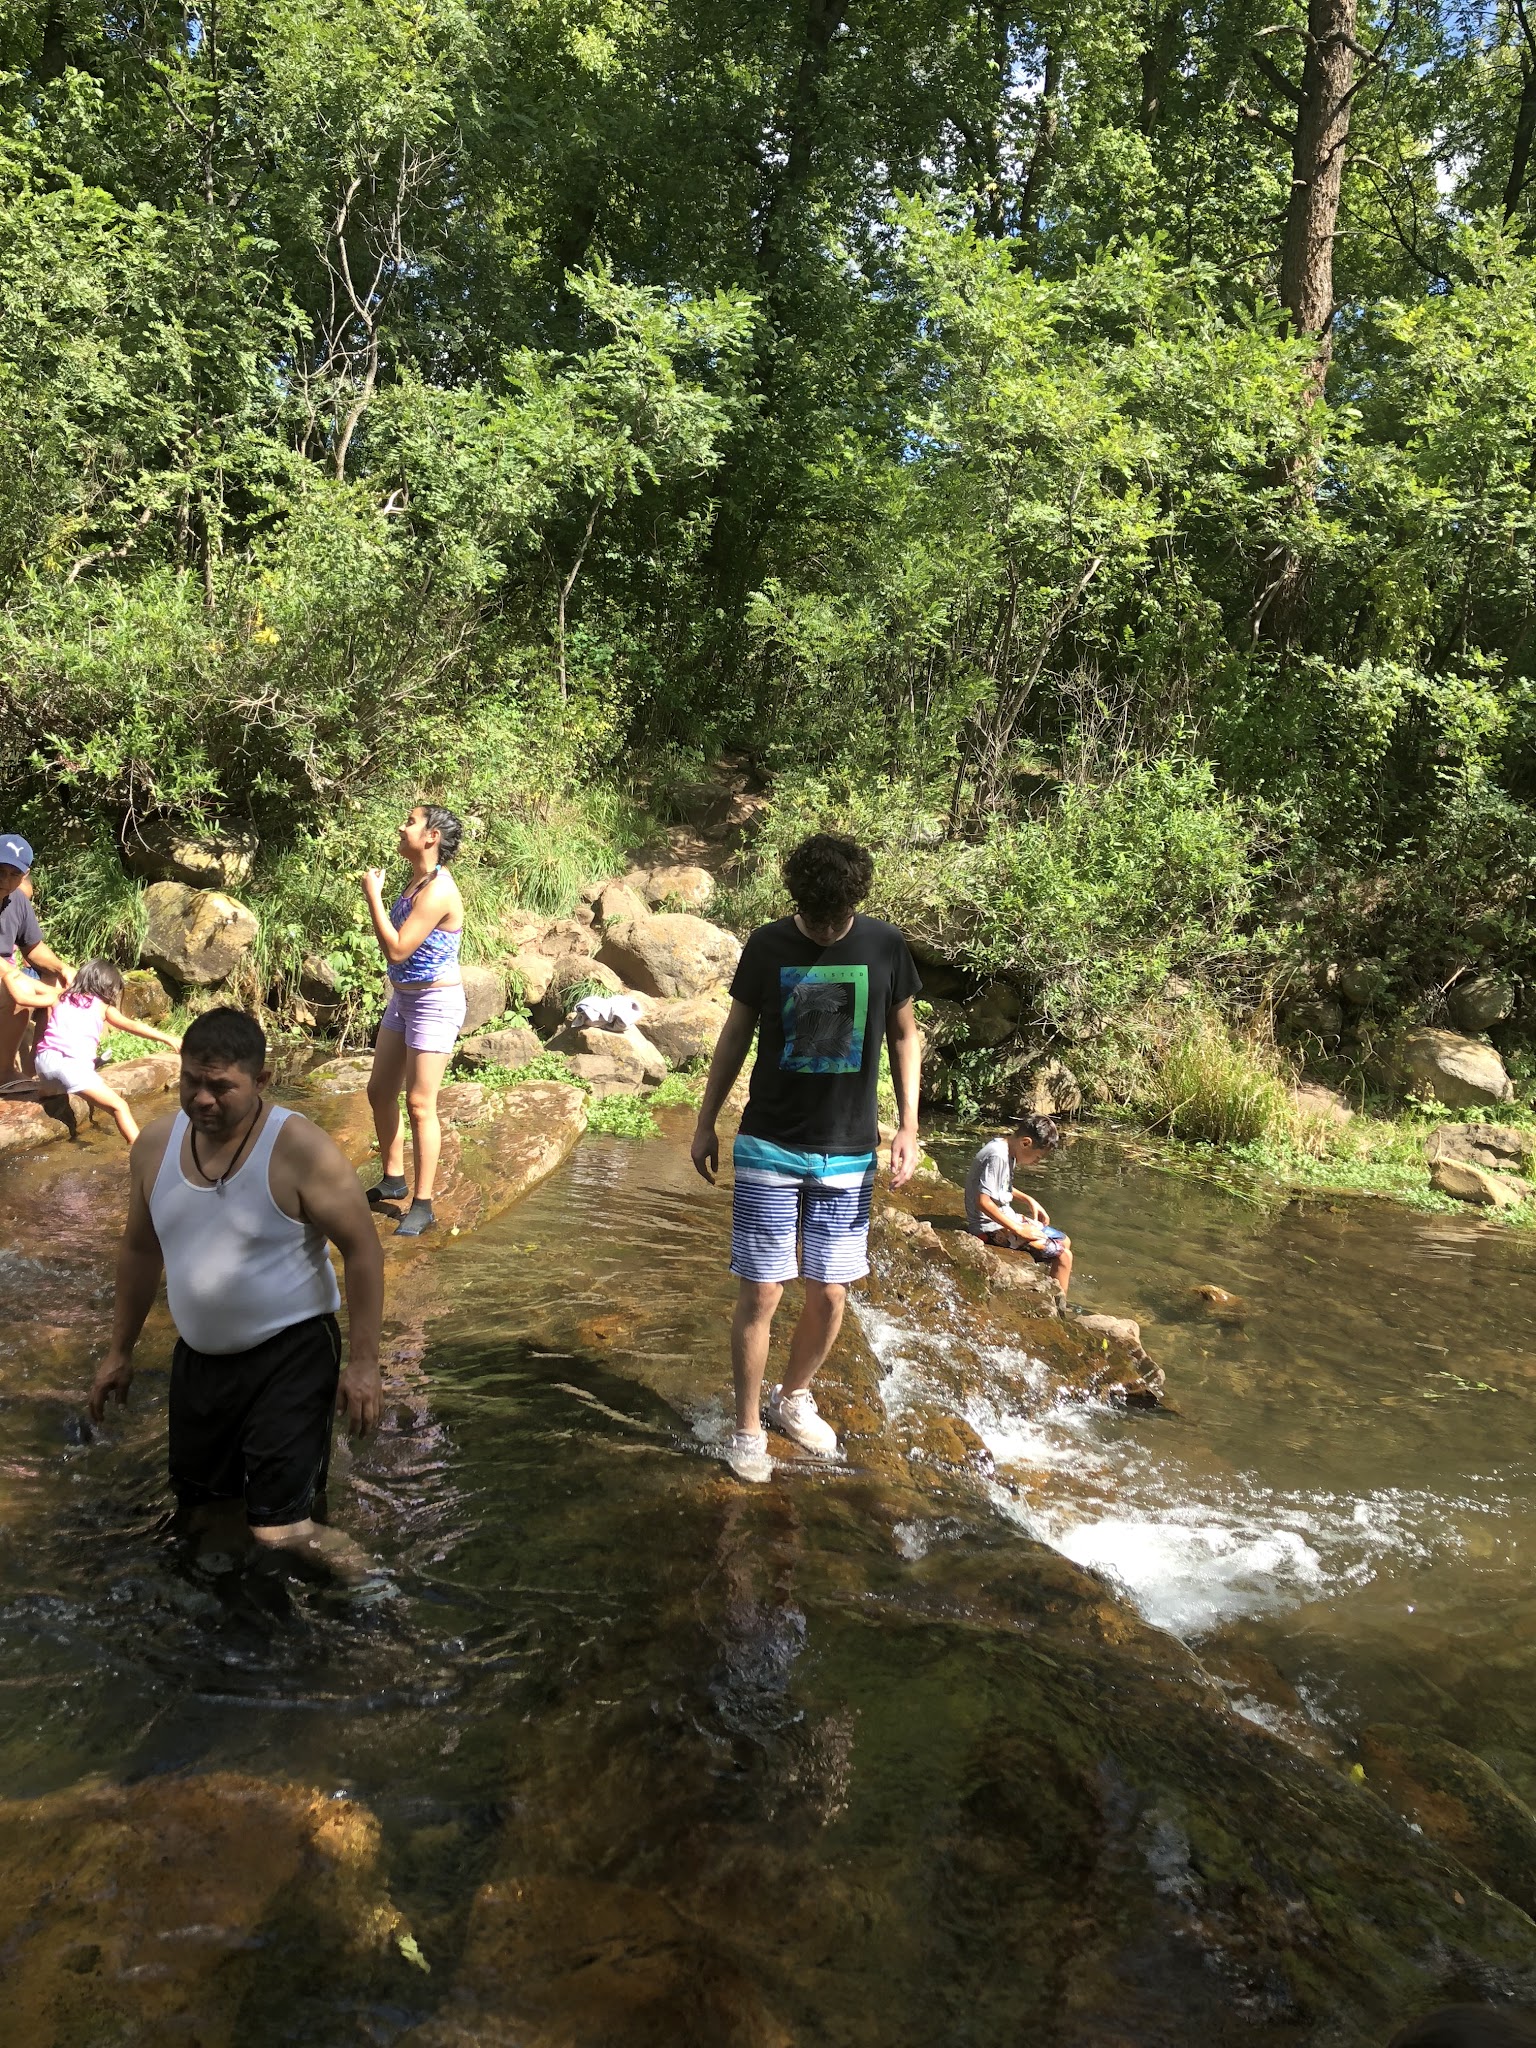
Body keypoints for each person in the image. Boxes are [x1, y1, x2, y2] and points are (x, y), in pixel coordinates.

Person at [87, 1007, 385, 1574]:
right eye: (191, 1082)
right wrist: (118, 1351)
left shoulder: (300, 1149)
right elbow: (141, 1250)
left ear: (261, 1080)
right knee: (204, 1515)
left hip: (292, 1356)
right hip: (199, 1362)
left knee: (280, 1529)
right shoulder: (153, 1147)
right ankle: (238, 1618)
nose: (202, 1099)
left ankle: (378, 1600)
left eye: (221, 1087)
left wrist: (365, 1363)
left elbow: (363, 1250)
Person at [691, 832, 922, 1482]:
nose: (823, 931)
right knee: (763, 1290)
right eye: (814, 919)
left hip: (848, 1150)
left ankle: (791, 1397)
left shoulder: (885, 946)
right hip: (769, 1141)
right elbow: (735, 1034)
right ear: (797, 899)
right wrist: (705, 1122)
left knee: (829, 1293)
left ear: (855, 902)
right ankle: (746, 1431)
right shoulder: (767, 945)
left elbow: (905, 1036)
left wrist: (909, 1126)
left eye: (835, 920)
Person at [362, 803, 466, 1237]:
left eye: (410, 822)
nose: (402, 827)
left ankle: (423, 1204)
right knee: (379, 1091)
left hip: (434, 1004)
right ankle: (393, 1179)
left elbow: (397, 949)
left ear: (431, 837)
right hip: (404, 1000)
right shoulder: (418, 879)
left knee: (420, 1104)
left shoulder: (439, 890)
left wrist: (373, 896)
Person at [29, 959, 182, 1143]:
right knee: (120, 1107)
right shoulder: (102, 1007)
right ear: (108, 987)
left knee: (57, 1086)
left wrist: (9, 974)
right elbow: (133, 1026)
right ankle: (140, 1150)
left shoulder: (61, 997)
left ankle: (45, 1091)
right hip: (71, 1069)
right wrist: (168, 1038)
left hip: (44, 1064)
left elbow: (23, 995)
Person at [964, 1114, 1074, 1295]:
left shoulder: (1006, 1149)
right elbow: (983, 1201)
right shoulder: (998, 1156)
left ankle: (1049, 1283)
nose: (1036, 1162)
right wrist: (1018, 1229)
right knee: (1064, 1256)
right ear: (1026, 1143)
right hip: (988, 1228)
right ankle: (1059, 1305)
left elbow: (998, 1185)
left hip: (1004, 1218)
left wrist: (1028, 1199)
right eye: (1037, 1157)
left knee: (1064, 1241)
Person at [0, 835, 73, 1080]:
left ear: (24, 875)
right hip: (5, 974)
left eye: (13, 874)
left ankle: (36, 1070)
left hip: (7, 973)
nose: (5, 880)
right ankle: (4, 1073)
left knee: (56, 978)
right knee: (19, 989)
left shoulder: (18, 899)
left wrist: (64, 969)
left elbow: (33, 947)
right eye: (0, 871)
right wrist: (48, 993)